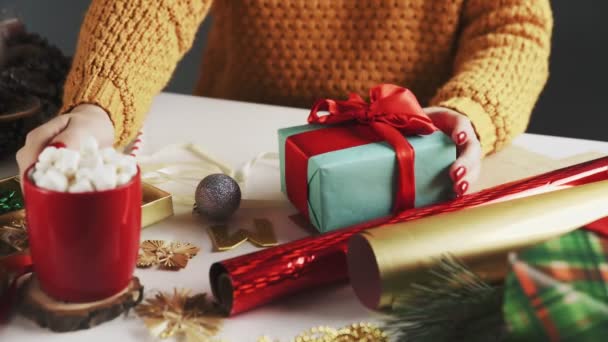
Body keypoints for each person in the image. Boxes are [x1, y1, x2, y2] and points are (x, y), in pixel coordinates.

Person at [16, 0, 553, 196]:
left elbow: (513, 25)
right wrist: (98, 107)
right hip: (235, 159)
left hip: (415, 159)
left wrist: (472, 111)